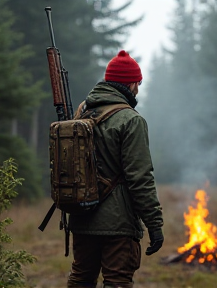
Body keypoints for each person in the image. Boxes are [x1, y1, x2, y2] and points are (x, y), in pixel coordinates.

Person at [67, 50, 164, 288]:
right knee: (117, 282)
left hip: (81, 214)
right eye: (137, 83)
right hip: (118, 225)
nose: (138, 90)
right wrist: (154, 224)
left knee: (81, 279)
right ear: (130, 83)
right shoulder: (131, 120)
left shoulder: (82, 112)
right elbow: (140, 179)